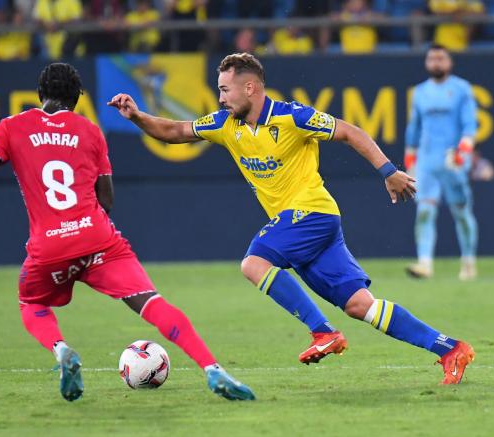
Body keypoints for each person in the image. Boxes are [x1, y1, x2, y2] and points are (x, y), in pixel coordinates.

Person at [108, 52, 475, 385]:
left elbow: (349, 131)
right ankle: (449, 348)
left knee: (253, 263)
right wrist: (138, 116)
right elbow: (175, 131)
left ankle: (322, 332)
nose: (220, 98)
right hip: (308, 225)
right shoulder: (225, 124)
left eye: (224, 89)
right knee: (361, 305)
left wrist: (389, 171)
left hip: (312, 213)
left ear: (249, 87)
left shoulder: (291, 116)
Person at [0, 63, 255, 402]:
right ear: (77, 99)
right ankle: (213, 369)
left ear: (40, 95)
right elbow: (106, 199)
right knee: (151, 303)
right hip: (98, 238)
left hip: (48, 246)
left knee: (31, 301)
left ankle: (62, 349)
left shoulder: (12, 127)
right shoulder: (89, 131)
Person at [404, 45, 479, 280]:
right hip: (427, 160)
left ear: (449, 63)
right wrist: (410, 159)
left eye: (440, 58)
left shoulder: (461, 89)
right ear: (427, 63)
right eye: (432, 58)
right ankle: (424, 263)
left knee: (461, 212)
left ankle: (468, 261)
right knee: (424, 211)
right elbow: (414, 128)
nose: (436, 62)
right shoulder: (419, 92)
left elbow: (469, 124)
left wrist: (463, 150)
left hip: (452, 159)